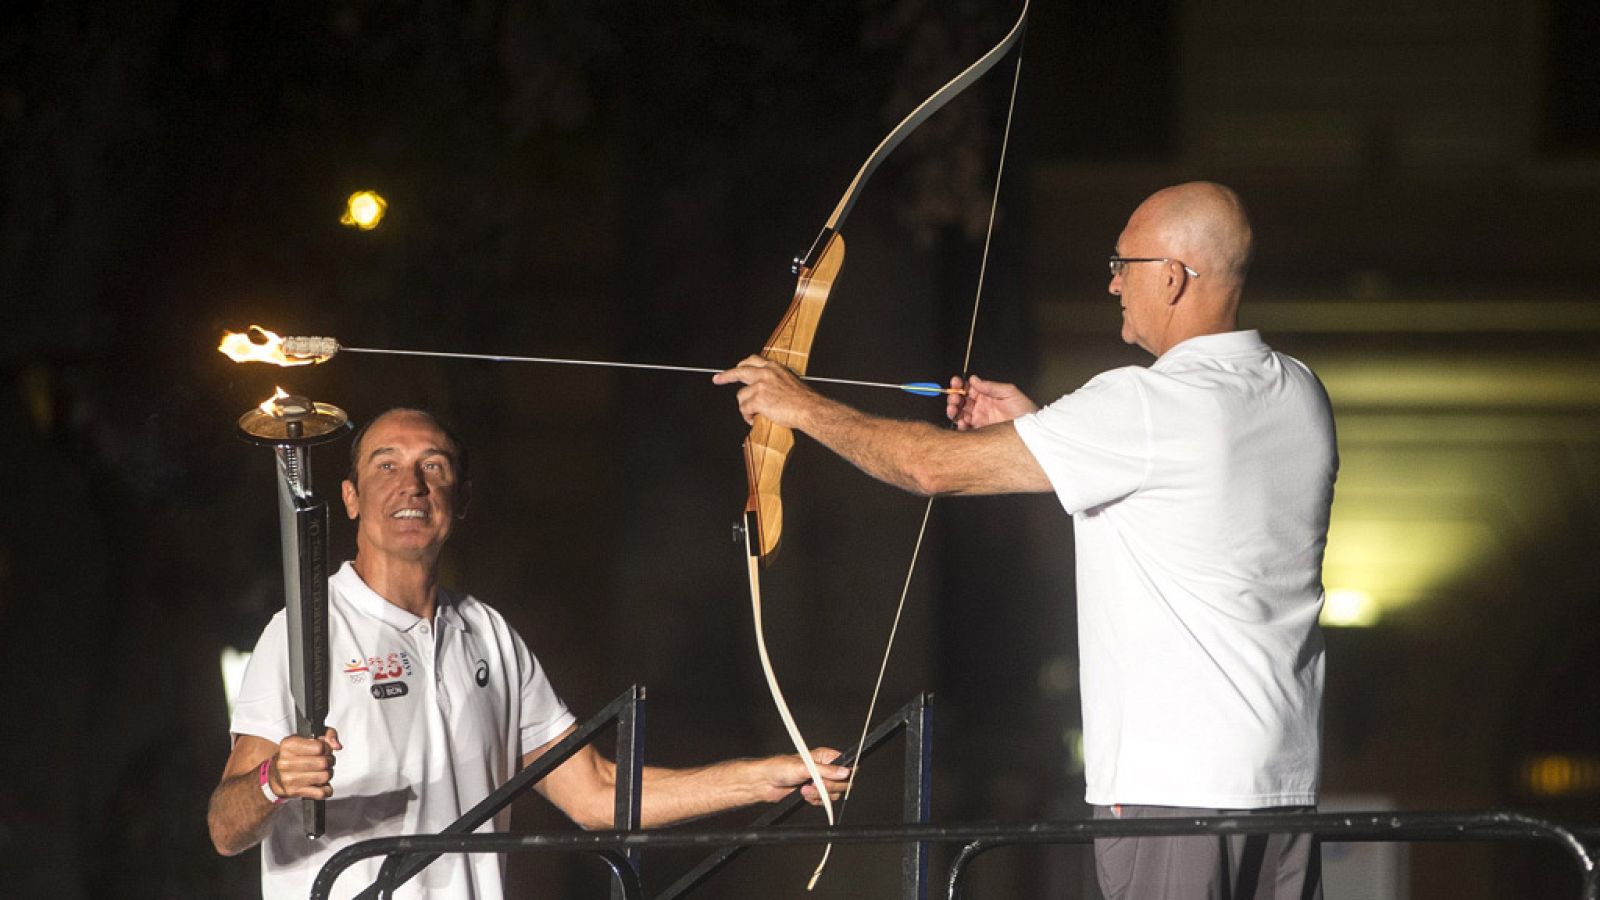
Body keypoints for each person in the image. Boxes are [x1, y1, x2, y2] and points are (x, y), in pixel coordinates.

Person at [715, 182, 1336, 900]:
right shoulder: (1299, 393)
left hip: (1173, 790)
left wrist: (798, 405)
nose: (1111, 282)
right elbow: (1185, 504)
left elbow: (929, 468)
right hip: (1282, 789)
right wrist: (1037, 428)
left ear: (1172, 276)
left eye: (1123, 263)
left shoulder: (1145, 404)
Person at [207, 408, 849, 899]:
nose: (411, 484)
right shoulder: (302, 631)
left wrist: (763, 780)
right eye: (385, 464)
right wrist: (274, 782)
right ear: (349, 498)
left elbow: (596, 792)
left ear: (459, 500)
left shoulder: (488, 633)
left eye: (433, 466)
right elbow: (224, 827)